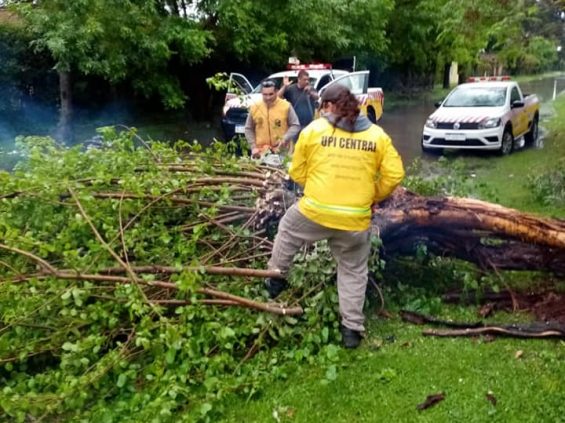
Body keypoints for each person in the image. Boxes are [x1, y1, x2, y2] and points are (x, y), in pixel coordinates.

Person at [265, 84, 405, 349]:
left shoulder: (314, 131)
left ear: (328, 106)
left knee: (287, 230)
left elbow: (296, 171)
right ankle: (351, 330)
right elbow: (395, 175)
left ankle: (275, 279)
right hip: (355, 219)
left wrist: (313, 186)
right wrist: (373, 195)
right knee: (352, 271)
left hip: (315, 210)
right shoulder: (377, 136)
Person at [245, 80, 301, 158]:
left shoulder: (286, 106)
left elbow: (295, 125)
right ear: (261, 93)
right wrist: (253, 147)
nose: (268, 97)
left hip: (281, 152)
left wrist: (285, 138)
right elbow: (248, 128)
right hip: (260, 152)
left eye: (271, 94)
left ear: (276, 92)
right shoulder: (255, 107)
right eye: (265, 94)